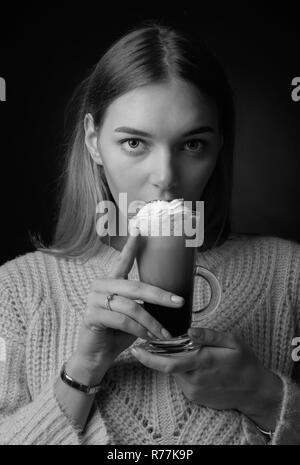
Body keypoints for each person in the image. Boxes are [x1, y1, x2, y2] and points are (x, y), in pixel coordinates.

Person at [0, 22, 300, 446]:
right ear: (93, 141)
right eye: (135, 144)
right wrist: (83, 370)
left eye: (192, 144)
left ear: (218, 148)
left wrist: (266, 397)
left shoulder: (290, 275)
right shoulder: (16, 290)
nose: (165, 177)